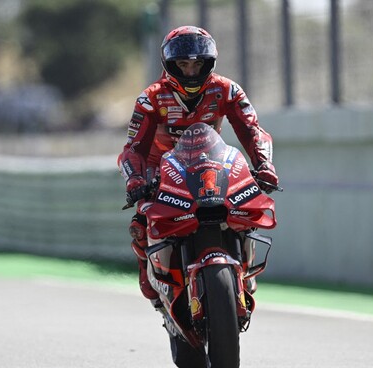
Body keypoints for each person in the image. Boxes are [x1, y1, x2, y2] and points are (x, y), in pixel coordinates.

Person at [117, 25, 278, 306]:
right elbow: (133, 149)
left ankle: (244, 270)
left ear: (209, 63)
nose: (191, 72)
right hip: (162, 170)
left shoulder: (228, 90)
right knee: (142, 223)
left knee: (245, 211)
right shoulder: (151, 98)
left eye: (197, 64)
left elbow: (254, 132)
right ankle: (154, 275)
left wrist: (264, 165)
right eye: (183, 64)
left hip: (210, 163)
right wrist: (135, 182)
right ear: (169, 65)